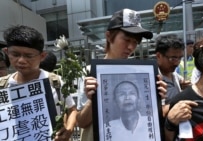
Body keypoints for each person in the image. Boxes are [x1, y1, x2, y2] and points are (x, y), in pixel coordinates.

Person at [76, 8, 167, 141]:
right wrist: (92, 100)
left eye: (135, 42)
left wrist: (157, 101)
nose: (131, 47)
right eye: (126, 39)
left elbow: (154, 118)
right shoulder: (90, 73)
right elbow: (81, 123)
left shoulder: (144, 74)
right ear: (109, 36)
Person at [2, 25, 77, 141]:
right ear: (6, 52)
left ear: (42, 56)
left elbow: (72, 110)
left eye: (29, 56)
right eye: (15, 55)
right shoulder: (3, 86)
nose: (21, 60)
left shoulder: (55, 82)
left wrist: (69, 130)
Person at [154, 35, 190, 106]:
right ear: (158, 56)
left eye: (180, 58)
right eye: (173, 58)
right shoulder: (153, 80)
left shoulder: (175, 75)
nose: (177, 63)